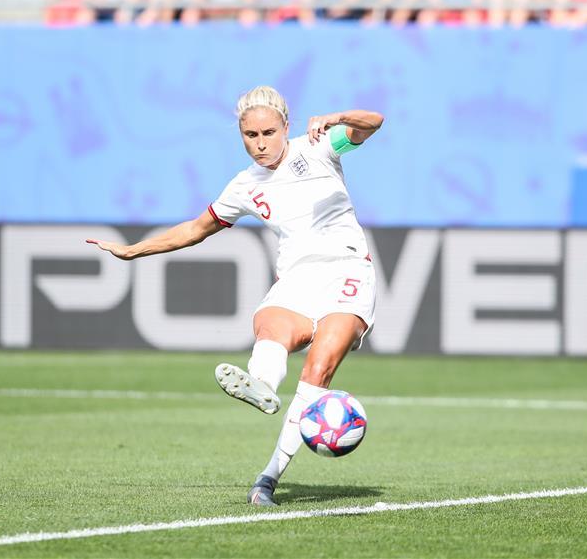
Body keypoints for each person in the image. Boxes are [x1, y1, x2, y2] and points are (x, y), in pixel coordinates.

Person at [87, 86, 383, 507]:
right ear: (241, 135)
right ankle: (261, 383)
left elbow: (373, 122)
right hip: (298, 278)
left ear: (286, 126)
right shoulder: (244, 186)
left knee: (318, 369)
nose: (260, 144)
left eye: (268, 132)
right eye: (250, 135)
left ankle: (266, 480)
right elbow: (195, 229)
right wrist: (134, 250)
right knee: (269, 323)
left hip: (348, 271)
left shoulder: (319, 146)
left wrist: (337, 117)